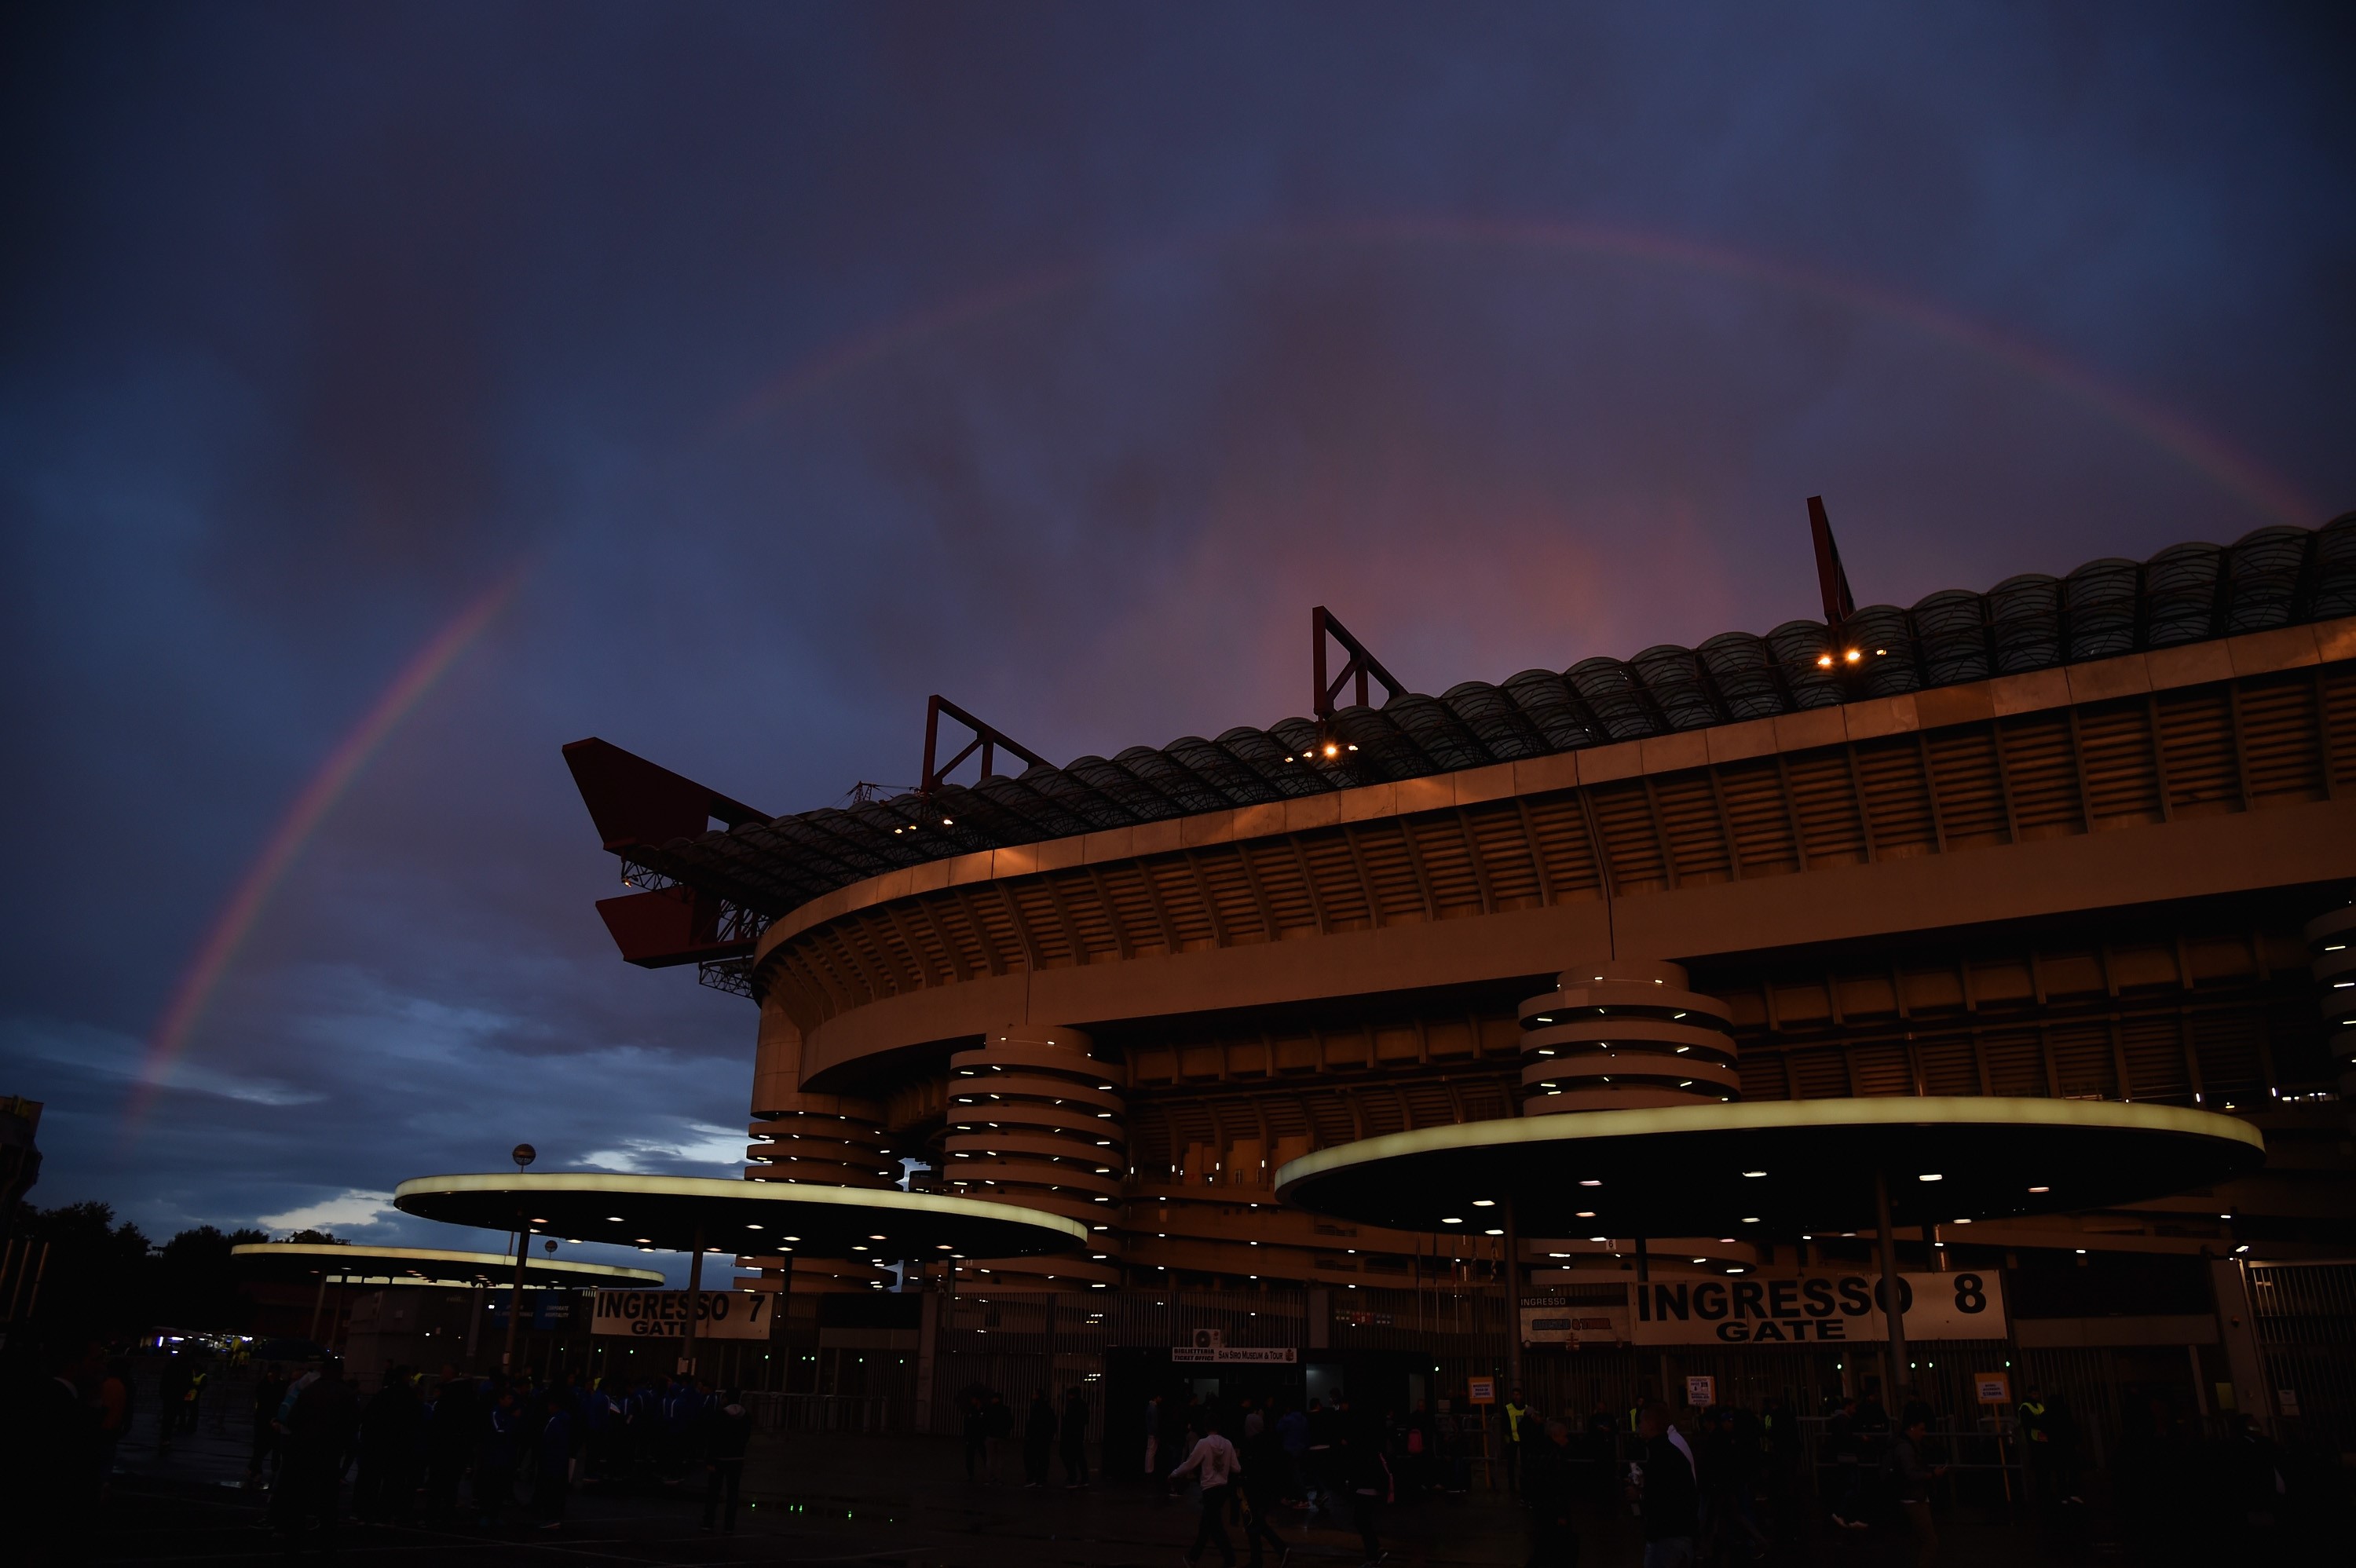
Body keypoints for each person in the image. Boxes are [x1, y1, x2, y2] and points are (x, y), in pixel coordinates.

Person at [276, 1358, 361, 1542]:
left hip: (304, 1449)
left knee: (299, 1494)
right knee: (328, 1498)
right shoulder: (346, 1394)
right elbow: (352, 1425)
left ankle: (294, 1533)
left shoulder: (310, 1391)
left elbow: (293, 1419)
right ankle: (326, 1536)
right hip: (329, 1452)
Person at [1628, 1401, 1696, 1568]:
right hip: (1680, 1533)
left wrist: (1639, 1494)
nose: (1639, 1426)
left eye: (1642, 1422)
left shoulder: (1661, 1456)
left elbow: (1661, 1499)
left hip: (1667, 1537)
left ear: (1651, 1424)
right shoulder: (1670, 1451)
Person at [353, 1366, 424, 1522]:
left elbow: (368, 1417)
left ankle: (365, 1510)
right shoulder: (410, 1397)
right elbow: (416, 1422)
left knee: (373, 1478)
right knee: (393, 1481)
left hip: (379, 1444)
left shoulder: (384, 1394)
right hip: (399, 1446)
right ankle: (386, 1512)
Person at [1169, 1414, 1241, 1567]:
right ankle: (1194, 1557)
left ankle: (1229, 1560)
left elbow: (1190, 1464)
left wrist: (1174, 1473)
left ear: (1206, 1427)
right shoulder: (1228, 1444)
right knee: (1207, 1525)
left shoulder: (1204, 1443)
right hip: (1223, 1489)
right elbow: (1237, 1468)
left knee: (1214, 1528)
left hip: (1209, 1489)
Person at [1237, 1401, 1292, 1568]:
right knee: (1256, 1524)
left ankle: (1278, 1549)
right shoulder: (1270, 1441)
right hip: (1266, 1491)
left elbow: (1251, 1470)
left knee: (1254, 1524)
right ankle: (1259, 1559)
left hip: (1256, 1490)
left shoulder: (1253, 1445)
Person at [1887, 1413, 1945, 1566]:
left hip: (1912, 1495)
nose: (1923, 1433)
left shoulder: (1904, 1445)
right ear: (1912, 1428)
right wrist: (1931, 1474)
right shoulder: (1906, 1447)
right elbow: (1911, 1473)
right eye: (1921, 1429)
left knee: (1922, 1540)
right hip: (1913, 1496)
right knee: (1930, 1542)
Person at [1524, 1417, 1581, 1567]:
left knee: (1545, 1543)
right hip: (1553, 1507)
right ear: (1556, 1436)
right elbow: (1558, 1484)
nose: (1566, 1440)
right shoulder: (1555, 1455)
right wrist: (1561, 1513)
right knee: (1555, 1545)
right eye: (1564, 1436)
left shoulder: (1537, 1451)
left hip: (1541, 1506)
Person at [697, 1388, 754, 1533]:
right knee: (733, 1492)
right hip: (737, 1458)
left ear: (726, 1399)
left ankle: (709, 1521)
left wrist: (709, 1460)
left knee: (714, 1492)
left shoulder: (719, 1416)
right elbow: (746, 1437)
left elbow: (713, 1438)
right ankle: (729, 1524)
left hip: (719, 1458)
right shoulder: (746, 1417)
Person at [1338, 1419, 1392, 1567]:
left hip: (1364, 1487)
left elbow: (1355, 1467)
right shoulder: (1372, 1445)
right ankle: (1375, 1549)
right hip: (1373, 1486)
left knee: (1361, 1520)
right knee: (1363, 1521)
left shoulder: (1358, 1447)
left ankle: (1372, 1556)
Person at [425, 1366, 478, 1517]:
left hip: (445, 1444)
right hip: (460, 1445)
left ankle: (433, 1513)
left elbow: (439, 1422)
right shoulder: (469, 1396)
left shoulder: (449, 1395)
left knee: (438, 1481)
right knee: (452, 1482)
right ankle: (448, 1511)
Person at [476, 1383, 521, 1526]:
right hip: (494, 1456)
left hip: (504, 1456)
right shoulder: (496, 1414)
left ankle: (494, 1513)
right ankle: (485, 1513)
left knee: (499, 1487)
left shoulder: (506, 1414)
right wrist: (513, 1421)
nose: (511, 1401)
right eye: (508, 1398)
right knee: (491, 1486)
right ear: (501, 1399)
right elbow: (500, 1431)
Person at [532, 1389, 573, 1530]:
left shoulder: (554, 1421)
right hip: (561, 1460)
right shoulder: (566, 1419)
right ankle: (555, 1517)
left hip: (551, 1461)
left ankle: (550, 1517)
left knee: (550, 1491)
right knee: (558, 1491)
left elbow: (547, 1440)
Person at [246, 1364, 287, 1491]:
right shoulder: (268, 1385)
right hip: (265, 1419)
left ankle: (256, 1468)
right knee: (263, 1446)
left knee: (266, 1446)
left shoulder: (273, 1385)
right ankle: (257, 1468)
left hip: (269, 1418)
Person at [1023, 1390, 1058, 1488]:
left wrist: (1029, 1435)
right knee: (1043, 1458)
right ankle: (1041, 1478)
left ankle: (1033, 1477)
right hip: (1043, 1438)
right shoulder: (1047, 1408)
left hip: (1035, 1438)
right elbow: (1053, 1424)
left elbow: (1032, 1424)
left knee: (1032, 1458)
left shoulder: (1036, 1407)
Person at [1060, 1387, 1092, 1486]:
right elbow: (1086, 1420)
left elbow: (1069, 1421)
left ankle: (1073, 1477)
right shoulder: (1082, 1404)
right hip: (1078, 1435)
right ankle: (1084, 1478)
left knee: (1069, 1456)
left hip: (1071, 1435)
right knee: (1079, 1457)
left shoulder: (1073, 1405)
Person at [1503, 1386, 1530, 1496]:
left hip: (1524, 1439)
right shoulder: (1508, 1408)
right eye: (1514, 1394)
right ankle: (1512, 1485)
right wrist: (1507, 1438)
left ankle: (1525, 1483)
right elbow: (1505, 1424)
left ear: (1521, 1395)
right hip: (1513, 1439)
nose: (1516, 1396)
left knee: (1525, 1463)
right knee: (1511, 1463)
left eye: (1517, 1394)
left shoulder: (1527, 1408)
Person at [1143, 1392, 1165, 1475]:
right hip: (1153, 1432)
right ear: (1157, 1397)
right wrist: (1156, 1434)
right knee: (1151, 1451)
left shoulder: (1150, 1407)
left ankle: (1149, 1469)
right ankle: (1149, 1470)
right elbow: (1154, 1423)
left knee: (1150, 1451)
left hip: (1151, 1432)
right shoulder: (1153, 1408)